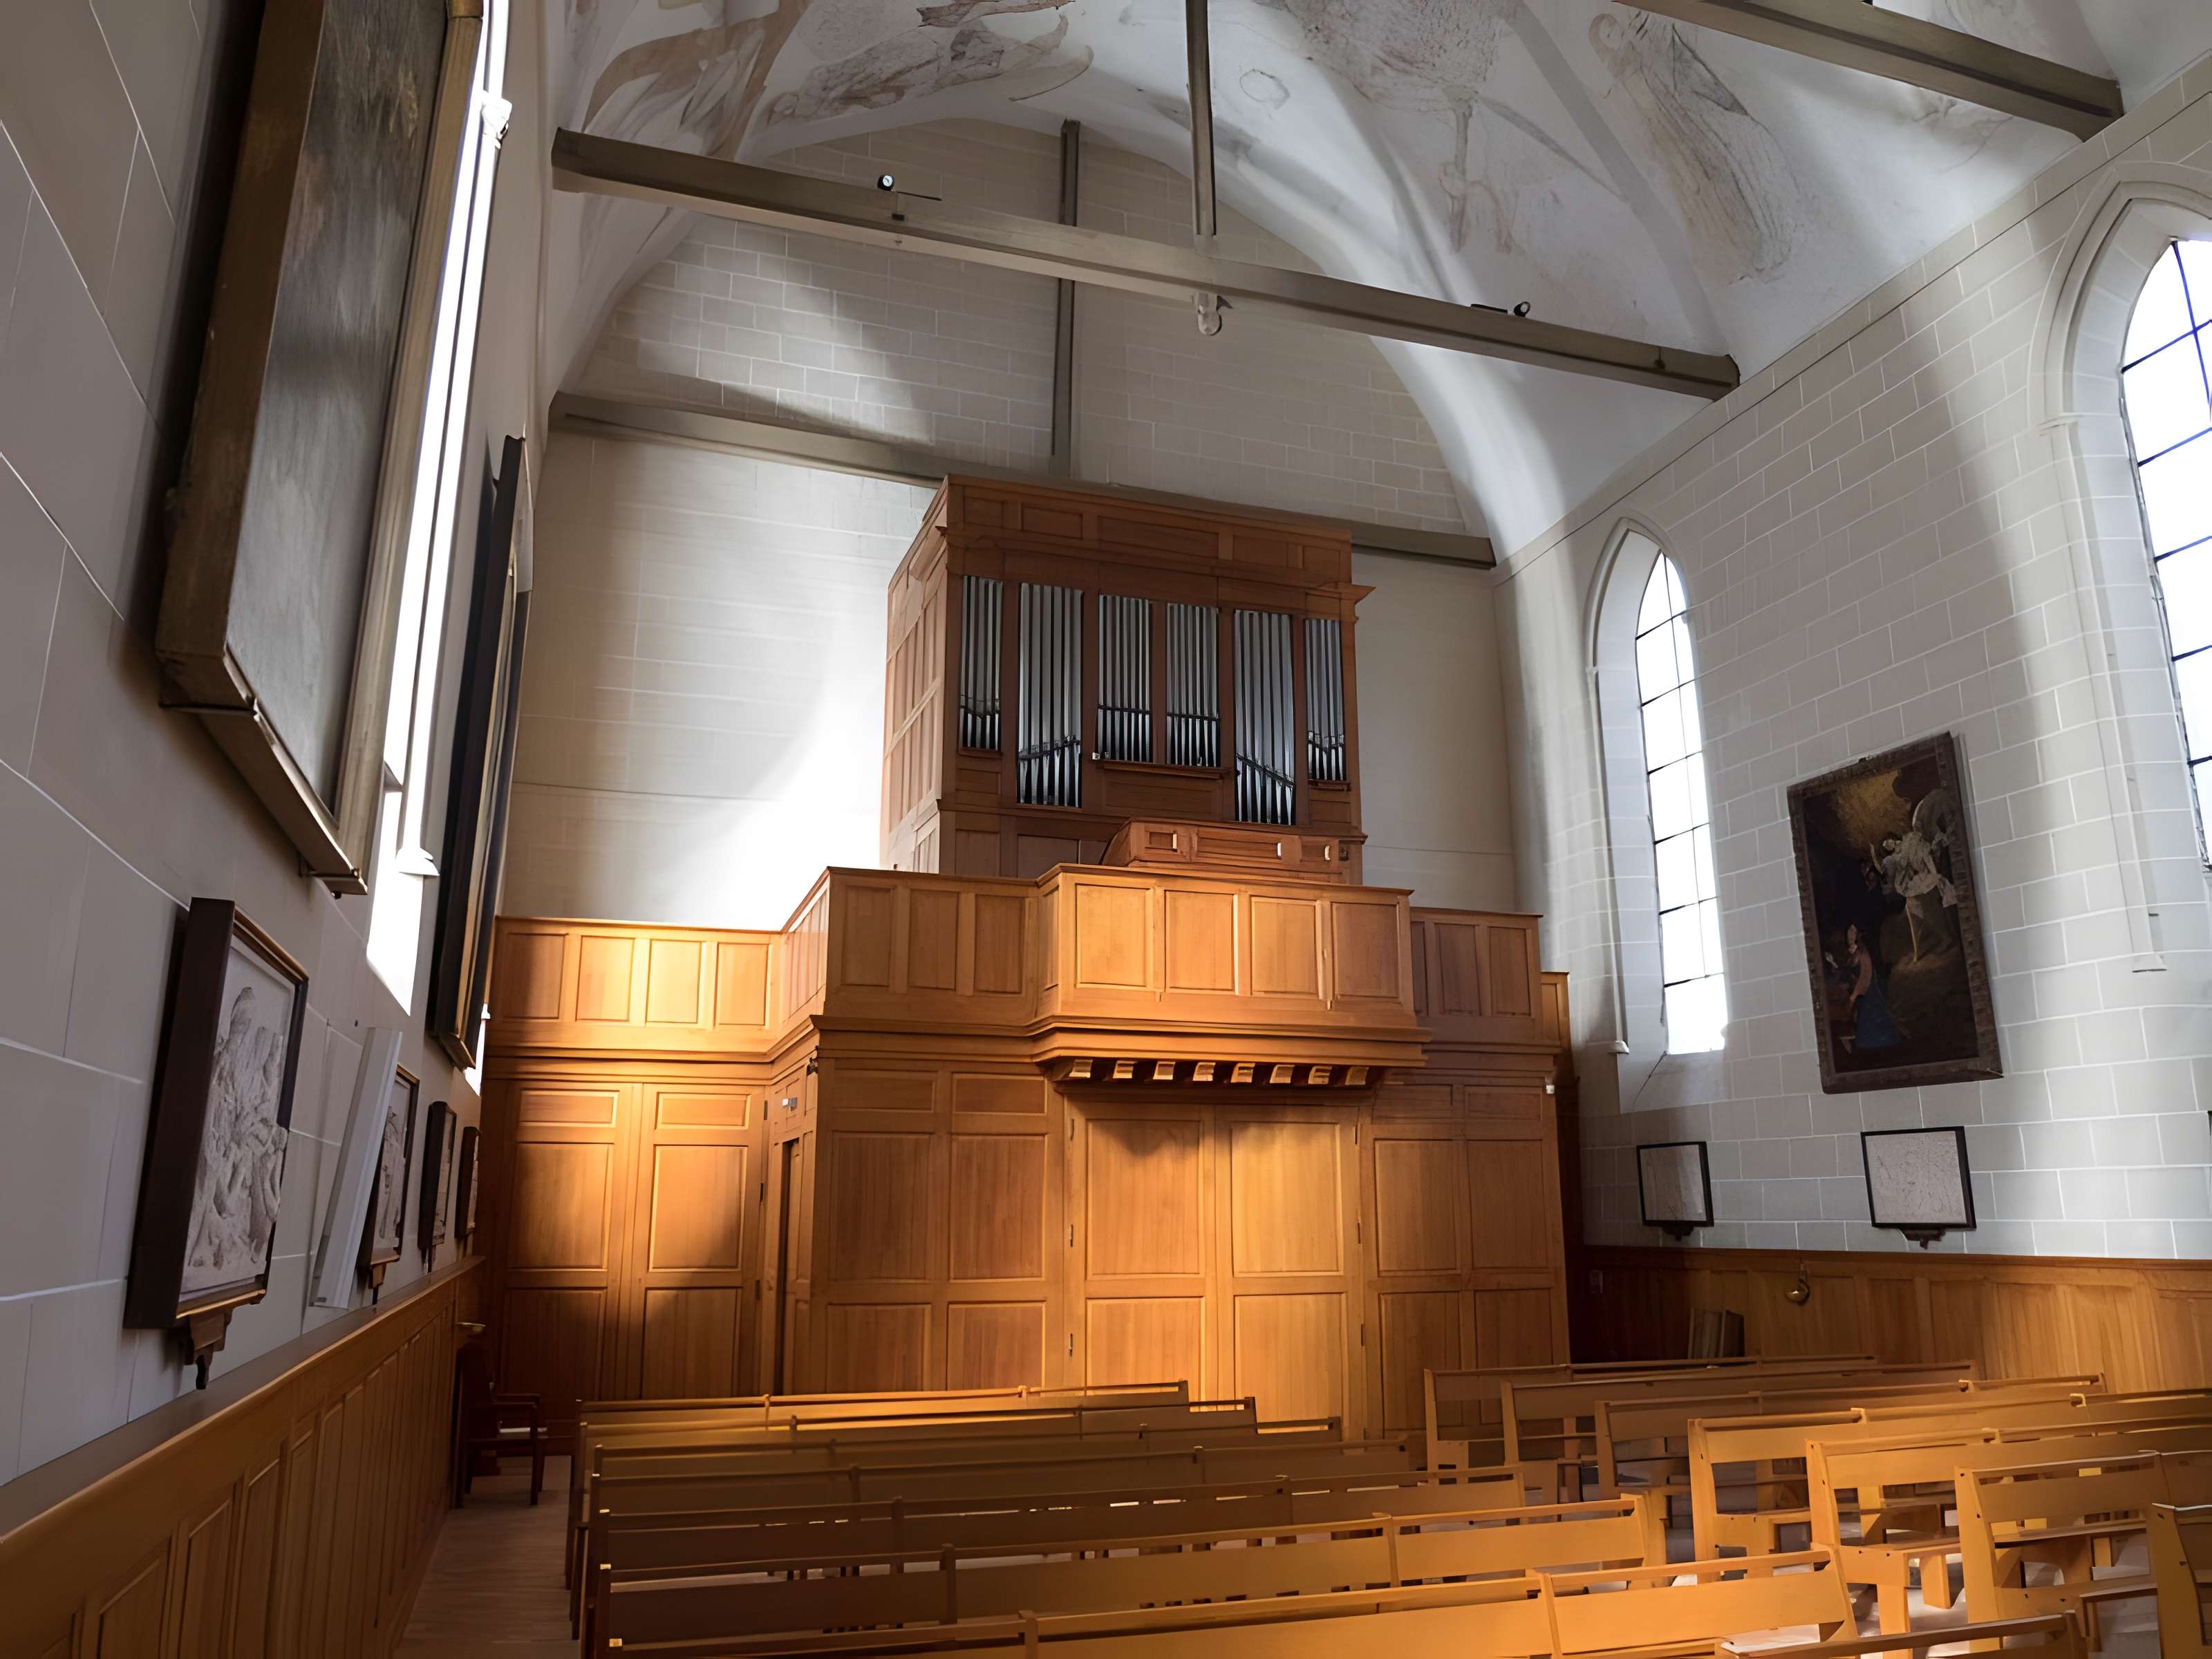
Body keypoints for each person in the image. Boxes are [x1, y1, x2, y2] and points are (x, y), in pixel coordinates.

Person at [1845, 922, 1902, 1052]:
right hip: (1868, 986)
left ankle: (1880, 1041)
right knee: (1870, 1013)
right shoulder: (1859, 949)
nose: (1852, 935)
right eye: (1850, 933)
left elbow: (1863, 968)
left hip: (1869, 986)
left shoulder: (1863, 949)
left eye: (1854, 933)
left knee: (1874, 1012)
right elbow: (1854, 965)